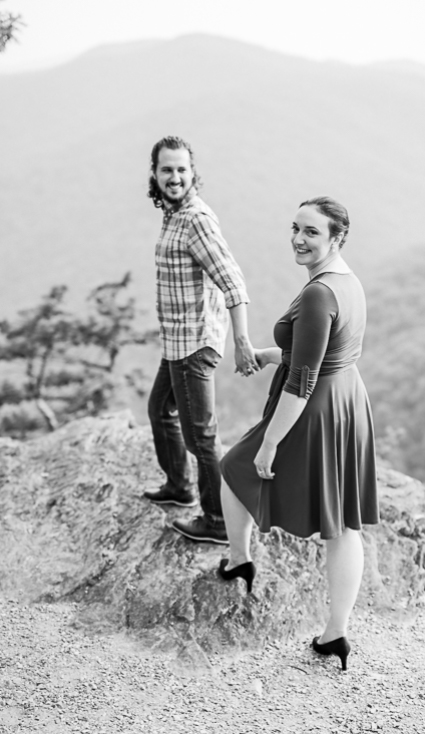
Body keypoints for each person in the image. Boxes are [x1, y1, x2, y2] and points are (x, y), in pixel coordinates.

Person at [216, 196, 379, 671]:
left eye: (311, 232)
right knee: (343, 523)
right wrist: (271, 354)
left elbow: (304, 379)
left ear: (337, 238)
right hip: (347, 400)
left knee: (234, 467)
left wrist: (271, 443)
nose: (299, 239)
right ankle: (336, 633)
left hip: (314, 405)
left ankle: (238, 557)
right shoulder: (349, 283)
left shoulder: (317, 294)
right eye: (295, 228)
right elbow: (322, 350)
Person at [143, 135, 257, 545]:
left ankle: (218, 519)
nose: (174, 177)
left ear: (193, 174)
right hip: (177, 339)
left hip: (194, 343)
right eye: (166, 170)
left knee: (201, 437)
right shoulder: (174, 214)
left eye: (181, 170)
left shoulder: (195, 219)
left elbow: (233, 280)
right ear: (154, 175)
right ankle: (179, 486)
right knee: (159, 409)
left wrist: (242, 340)